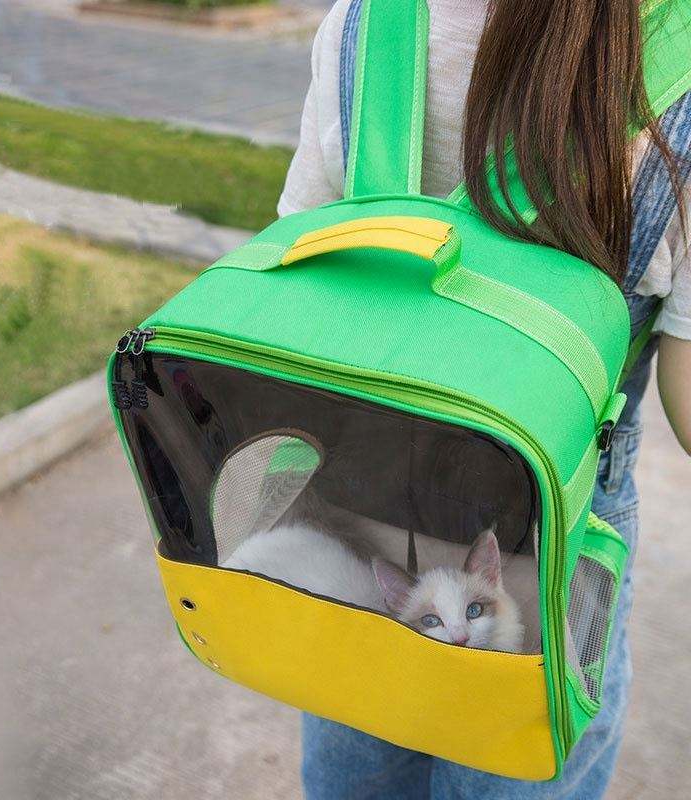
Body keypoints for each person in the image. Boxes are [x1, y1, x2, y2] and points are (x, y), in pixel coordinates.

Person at [277, 1, 691, 797]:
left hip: (365, 501)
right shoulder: (677, 61)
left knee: (360, 762)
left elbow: (301, 279)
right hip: (560, 524)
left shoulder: (371, 21)